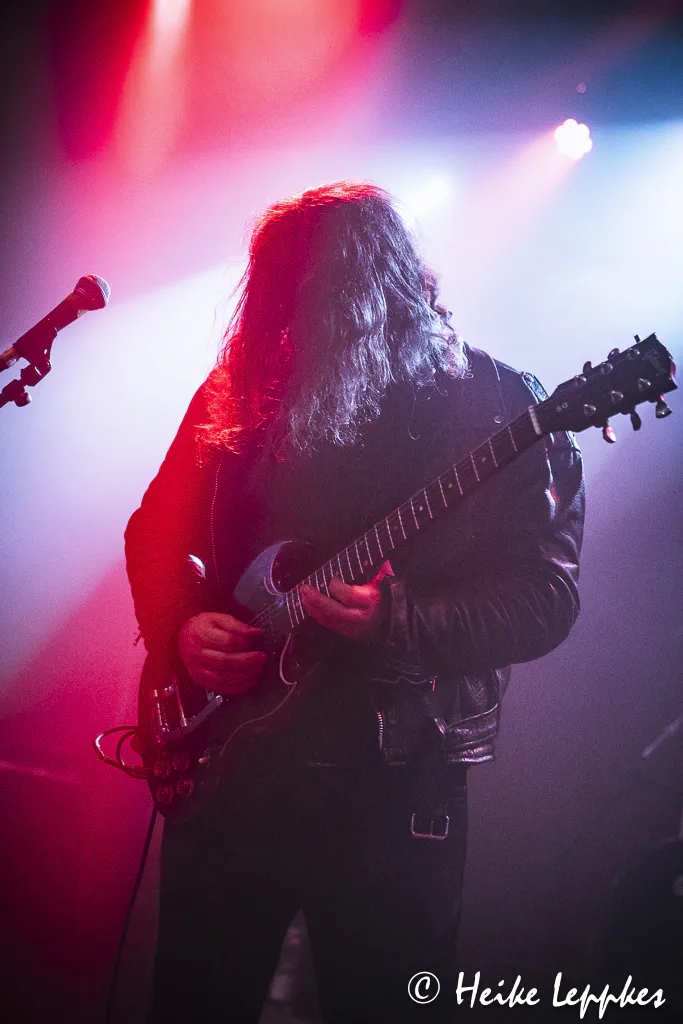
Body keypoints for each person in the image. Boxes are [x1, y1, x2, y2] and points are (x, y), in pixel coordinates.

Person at [125, 181, 584, 1023]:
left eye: (311, 300)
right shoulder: (243, 388)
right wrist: (181, 623)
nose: (288, 327)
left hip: (394, 790)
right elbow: (155, 531)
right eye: (274, 302)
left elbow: (544, 597)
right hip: (231, 773)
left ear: (375, 294)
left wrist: (395, 622)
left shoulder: (495, 407)